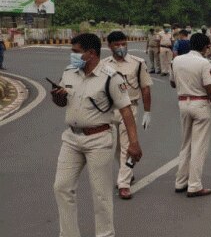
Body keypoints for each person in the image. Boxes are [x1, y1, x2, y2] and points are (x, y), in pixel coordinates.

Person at [51, 33, 143, 237]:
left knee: (100, 194)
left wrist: (133, 143)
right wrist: (57, 98)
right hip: (71, 139)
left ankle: (105, 234)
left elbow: (126, 110)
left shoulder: (111, 77)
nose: (72, 56)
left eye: (76, 52)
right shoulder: (69, 73)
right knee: (62, 187)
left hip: (99, 140)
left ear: (91, 53)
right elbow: (62, 103)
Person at [170, 33, 211, 197]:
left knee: (186, 144)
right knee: (199, 146)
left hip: (183, 102)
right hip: (200, 103)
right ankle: (194, 185)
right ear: (205, 47)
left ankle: (180, 181)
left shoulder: (177, 60)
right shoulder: (204, 63)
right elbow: (210, 89)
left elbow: (172, 82)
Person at [102, 31, 153, 200]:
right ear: (109, 46)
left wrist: (147, 112)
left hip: (130, 108)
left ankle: (123, 184)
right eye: (117, 45)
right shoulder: (103, 65)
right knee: (115, 146)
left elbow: (145, 88)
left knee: (127, 145)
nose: (121, 47)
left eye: (123, 44)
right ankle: (127, 173)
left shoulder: (137, 63)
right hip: (110, 110)